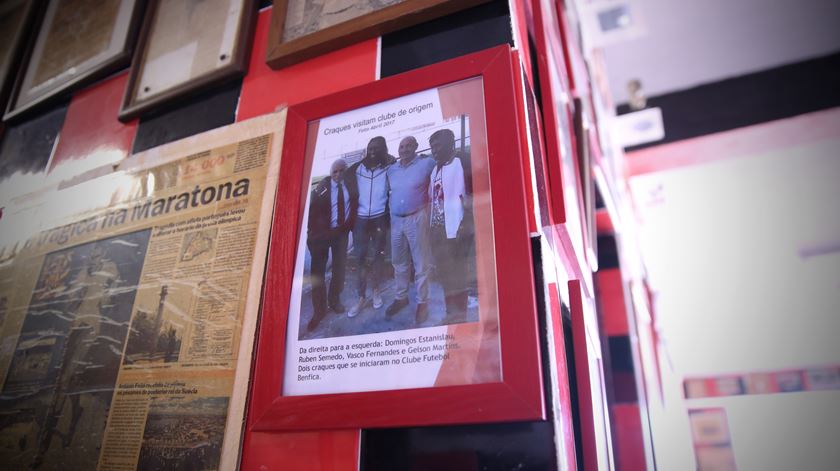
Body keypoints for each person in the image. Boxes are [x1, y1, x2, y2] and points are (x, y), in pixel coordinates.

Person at [385, 136, 436, 323]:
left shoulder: (426, 163)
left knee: (421, 263)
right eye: (401, 146)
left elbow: (439, 167)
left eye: (408, 146)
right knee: (398, 262)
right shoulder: (391, 170)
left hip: (417, 218)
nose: (404, 149)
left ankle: (423, 302)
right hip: (396, 221)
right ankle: (401, 297)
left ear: (416, 147)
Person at [345, 137, 395, 317]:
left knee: (378, 257)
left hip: (379, 218)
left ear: (384, 150)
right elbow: (343, 176)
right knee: (360, 258)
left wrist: (391, 159)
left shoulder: (389, 168)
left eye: (377, 149)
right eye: (370, 149)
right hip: (361, 220)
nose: (372, 152)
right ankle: (361, 297)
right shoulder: (357, 169)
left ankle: (375, 291)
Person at [306, 158, 354, 331]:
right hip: (321, 235)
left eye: (342, 171)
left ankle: (335, 300)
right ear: (330, 172)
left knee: (339, 269)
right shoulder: (321, 189)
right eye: (335, 171)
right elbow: (310, 213)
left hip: (340, 234)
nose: (338, 174)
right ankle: (319, 311)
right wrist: (311, 236)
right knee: (317, 274)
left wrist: (348, 227)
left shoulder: (351, 185)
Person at [428, 129, 469, 323]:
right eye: (432, 147)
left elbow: (466, 197)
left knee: (458, 275)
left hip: (455, 231)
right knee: (445, 274)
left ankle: (460, 315)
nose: (434, 151)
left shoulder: (459, 163)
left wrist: (464, 226)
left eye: (438, 146)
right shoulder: (435, 170)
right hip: (438, 231)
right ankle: (450, 312)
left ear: (449, 144)